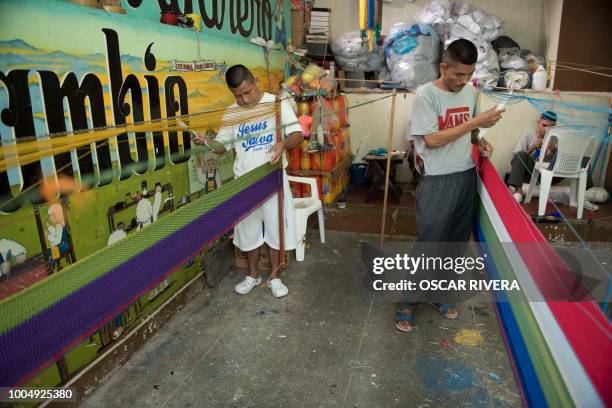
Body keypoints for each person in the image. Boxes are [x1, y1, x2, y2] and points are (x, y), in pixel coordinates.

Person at [396, 39, 504, 332]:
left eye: (469, 74)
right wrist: (473, 124)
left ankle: (439, 294)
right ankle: (407, 301)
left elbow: (469, 131)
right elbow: (431, 139)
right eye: (457, 74)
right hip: (437, 179)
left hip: (465, 175)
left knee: (455, 243)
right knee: (429, 244)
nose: (463, 81)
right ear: (444, 67)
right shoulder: (426, 95)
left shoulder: (470, 92)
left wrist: (479, 138)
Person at [192, 65, 303, 298]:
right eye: (238, 96)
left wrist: (282, 144)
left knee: (275, 229)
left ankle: (274, 276)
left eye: (248, 92)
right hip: (245, 182)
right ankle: (252, 275)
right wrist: (208, 143)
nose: (244, 99)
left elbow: (296, 134)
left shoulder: (277, 104)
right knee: (248, 231)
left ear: (256, 81)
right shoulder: (233, 112)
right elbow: (223, 146)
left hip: (272, 178)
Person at [507, 111, 597, 209]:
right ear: (538, 122)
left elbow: (565, 161)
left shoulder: (558, 140)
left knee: (583, 160)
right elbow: (516, 159)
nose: (546, 129)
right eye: (544, 125)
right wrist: (533, 147)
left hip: (552, 174)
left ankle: (582, 198)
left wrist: (555, 150)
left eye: (551, 127)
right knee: (520, 154)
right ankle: (518, 192)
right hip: (532, 173)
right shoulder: (527, 137)